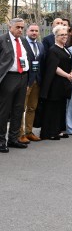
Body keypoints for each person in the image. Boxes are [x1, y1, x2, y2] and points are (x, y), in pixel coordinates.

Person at [0, 18, 31, 153]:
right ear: (10, 27)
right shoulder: (2, 40)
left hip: (22, 77)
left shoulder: (23, 41)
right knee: (4, 110)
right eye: (17, 27)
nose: (20, 30)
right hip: (8, 77)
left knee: (19, 109)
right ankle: (1, 141)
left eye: (22, 28)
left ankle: (13, 138)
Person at [39, 25, 72, 140]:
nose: (65, 36)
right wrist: (67, 75)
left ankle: (57, 130)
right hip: (55, 84)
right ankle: (48, 133)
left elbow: (70, 63)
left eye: (66, 34)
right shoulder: (53, 50)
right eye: (61, 35)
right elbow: (54, 67)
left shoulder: (65, 49)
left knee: (59, 107)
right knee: (52, 108)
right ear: (56, 36)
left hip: (63, 83)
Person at [19, 23, 45, 144]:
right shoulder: (22, 43)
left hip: (37, 81)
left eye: (36, 31)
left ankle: (29, 132)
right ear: (27, 31)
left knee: (32, 108)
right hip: (26, 81)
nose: (34, 33)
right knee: (21, 108)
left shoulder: (40, 45)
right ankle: (20, 133)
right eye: (32, 30)